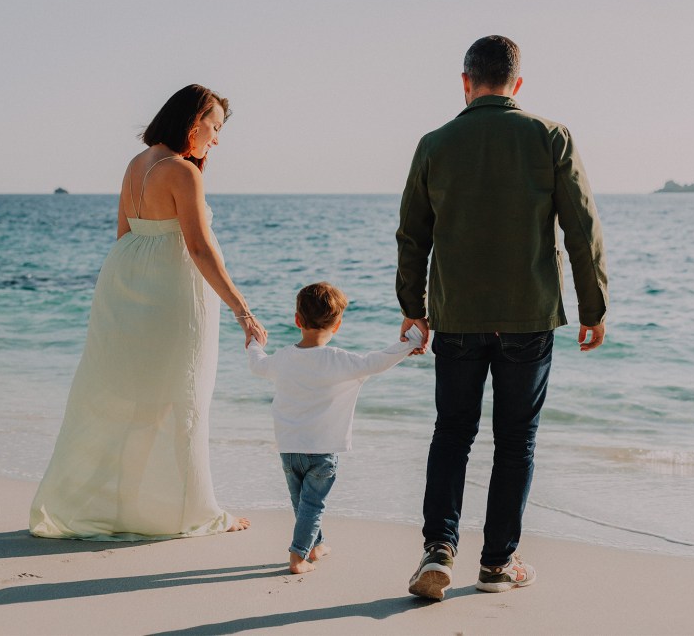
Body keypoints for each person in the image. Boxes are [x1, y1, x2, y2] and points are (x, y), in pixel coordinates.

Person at [397, 36, 609, 599]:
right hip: (528, 316)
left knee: (453, 432)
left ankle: (438, 550)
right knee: (516, 441)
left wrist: (412, 311)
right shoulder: (550, 137)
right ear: (517, 84)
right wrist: (594, 307)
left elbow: (412, 237)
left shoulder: (434, 144)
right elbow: (582, 230)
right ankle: (497, 564)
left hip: (457, 316)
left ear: (465, 82)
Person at [30, 84, 266, 541]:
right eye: (214, 128)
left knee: (133, 399)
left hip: (124, 287)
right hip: (173, 299)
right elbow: (198, 247)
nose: (216, 139)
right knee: (183, 398)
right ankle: (191, 512)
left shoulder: (136, 165)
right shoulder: (182, 172)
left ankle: (122, 506)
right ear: (194, 120)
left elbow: (125, 235)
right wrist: (243, 311)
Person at [246, 282, 418, 573]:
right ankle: (298, 557)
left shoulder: (284, 358)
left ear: (298, 321)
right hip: (322, 451)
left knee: (303, 503)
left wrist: (254, 343)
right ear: (337, 325)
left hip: (288, 449)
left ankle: (315, 546)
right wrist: (411, 340)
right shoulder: (340, 360)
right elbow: (378, 361)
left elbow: (257, 366)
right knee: (312, 505)